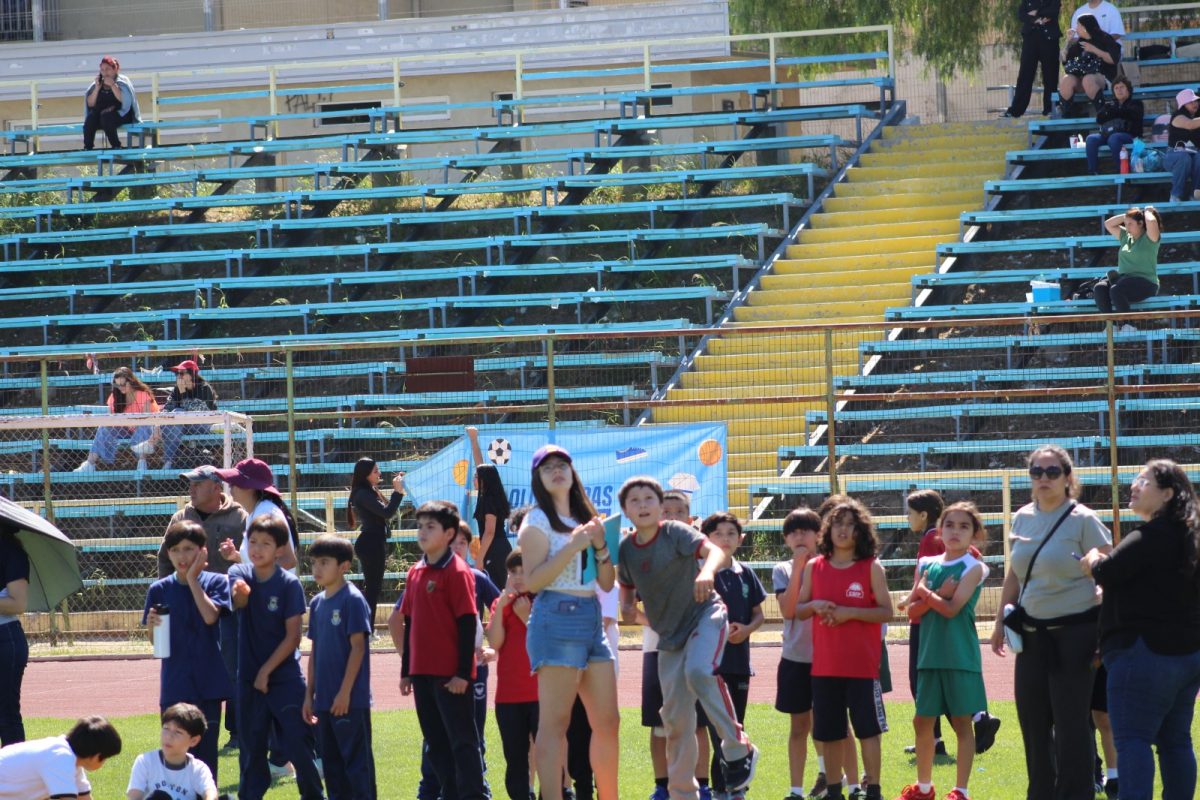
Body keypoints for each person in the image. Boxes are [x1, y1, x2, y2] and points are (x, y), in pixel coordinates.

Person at [617, 476, 759, 800]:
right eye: (634, 501)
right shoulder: (626, 549)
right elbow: (626, 598)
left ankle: (739, 748)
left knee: (698, 671)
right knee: (675, 717)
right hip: (669, 636)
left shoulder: (676, 532)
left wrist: (707, 572)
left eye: (648, 499)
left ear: (659, 508)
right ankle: (682, 792)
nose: (642, 505)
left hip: (705, 616)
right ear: (626, 511)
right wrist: (631, 612)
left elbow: (716, 554)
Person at [989, 444, 1111, 800]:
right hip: (1032, 636)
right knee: (1033, 722)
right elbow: (1015, 573)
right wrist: (1000, 621)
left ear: (1068, 477)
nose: (1043, 478)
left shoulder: (1084, 519)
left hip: (1077, 635)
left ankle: (1075, 793)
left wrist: (1107, 626)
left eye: (1052, 472)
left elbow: (1108, 571)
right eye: (1036, 472)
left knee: (1072, 725)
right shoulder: (1023, 516)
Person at [1080, 459, 1200, 800]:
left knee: (1132, 739)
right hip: (1188, 655)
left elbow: (1106, 570)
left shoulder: (1151, 535)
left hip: (1142, 653)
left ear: (1166, 494)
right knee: (1176, 741)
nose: (1134, 485)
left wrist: (1091, 558)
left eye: (1143, 481)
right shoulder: (1189, 536)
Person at [517, 444, 620, 800]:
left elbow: (607, 582)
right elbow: (532, 582)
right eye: (547, 468)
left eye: (562, 465)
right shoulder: (536, 522)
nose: (557, 471)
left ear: (573, 472)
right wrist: (574, 546)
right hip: (556, 618)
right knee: (555, 725)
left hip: (592, 617)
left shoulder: (588, 515)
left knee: (608, 722)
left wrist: (601, 546)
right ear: (538, 479)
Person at [795, 499, 893, 800]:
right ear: (828, 528)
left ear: (860, 530)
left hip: (862, 666)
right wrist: (814, 605)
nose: (843, 530)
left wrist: (850, 613)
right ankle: (835, 790)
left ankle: (873, 789)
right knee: (829, 732)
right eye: (837, 523)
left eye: (850, 524)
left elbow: (886, 612)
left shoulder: (871, 567)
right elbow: (799, 610)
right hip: (825, 667)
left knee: (867, 730)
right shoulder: (815, 566)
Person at [895, 502, 991, 800]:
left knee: (962, 722)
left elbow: (951, 609)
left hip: (960, 656)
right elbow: (911, 609)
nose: (955, 531)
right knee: (922, 721)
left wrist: (926, 593)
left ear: (975, 534)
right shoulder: (927, 563)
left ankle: (960, 791)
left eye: (964, 526)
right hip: (929, 654)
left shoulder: (975, 567)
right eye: (950, 525)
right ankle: (924, 789)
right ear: (939, 528)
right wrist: (933, 595)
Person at [228, 515, 324, 800]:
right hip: (248, 681)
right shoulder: (240, 573)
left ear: (280, 548)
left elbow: (293, 637)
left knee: (299, 747)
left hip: (284, 680)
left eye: (266, 543)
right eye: (252, 542)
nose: (257, 548)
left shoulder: (288, 585)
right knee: (251, 751)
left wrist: (266, 671)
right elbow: (237, 599)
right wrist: (240, 594)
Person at [156, 465, 247, 750]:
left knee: (231, 666)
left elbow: (250, 560)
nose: (191, 489)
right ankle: (183, 727)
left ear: (216, 487)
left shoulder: (239, 517)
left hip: (228, 605)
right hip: (186, 604)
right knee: (186, 662)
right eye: (190, 484)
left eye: (197, 483)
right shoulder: (181, 517)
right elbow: (163, 558)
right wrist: (168, 592)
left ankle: (235, 731)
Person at [399, 501, 485, 800]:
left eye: (430, 526)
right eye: (420, 525)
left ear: (449, 533)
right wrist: (406, 671)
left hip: (452, 677)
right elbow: (409, 622)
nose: (422, 531)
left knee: (462, 743)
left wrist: (463, 673)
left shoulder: (458, 571)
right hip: (422, 675)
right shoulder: (415, 572)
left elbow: (466, 623)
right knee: (435, 743)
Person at [143, 521, 234, 785]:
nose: (182, 557)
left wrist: (193, 580)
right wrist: (151, 629)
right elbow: (158, 645)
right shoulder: (159, 589)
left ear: (202, 551)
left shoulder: (216, 582)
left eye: (188, 549)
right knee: (174, 759)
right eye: (175, 550)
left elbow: (209, 617)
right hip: (175, 684)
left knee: (205, 760)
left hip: (209, 685)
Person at [644, 490, 712, 800]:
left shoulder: (701, 554)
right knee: (659, 723)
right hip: (656, 649)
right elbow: (633, 601)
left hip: (694, 647)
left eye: (677, 511)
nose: (670, 516)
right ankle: (662, 786)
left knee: (697, 722)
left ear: (689, 518)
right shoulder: (642, 551)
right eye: (665, 511)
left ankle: (704, 784)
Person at [697, 512, 765, 799]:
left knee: (736, 727)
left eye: (731, 534)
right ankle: (722, 788)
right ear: (706, 539)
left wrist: (746, 630)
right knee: (717, 731)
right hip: (712, 665)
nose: (725, 539)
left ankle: (734, 786)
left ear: (741, 539)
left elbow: (759, 615)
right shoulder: (702, 574)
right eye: (718, 534)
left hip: (739, 663)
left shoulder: (745, 572)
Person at [303, 534, 375, 800]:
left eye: (324, 562)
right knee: (332, 768)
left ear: (344, 566)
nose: (317, 569)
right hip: (323, 701)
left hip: (350, 701)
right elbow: (315, 651)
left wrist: (345, 692)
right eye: (313, 563)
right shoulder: (318, 603)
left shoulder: (352, 600)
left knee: (357, 768)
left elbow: (358, 648)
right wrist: (309, 694)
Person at [774, 508, 824, 800]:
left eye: (805, 530)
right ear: (786, 539)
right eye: (793, 532)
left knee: (830, 723)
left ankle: (832, 776)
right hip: (795, 657)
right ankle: (795, 790)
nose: (799, 536)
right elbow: (789, 610)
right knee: (799, 726)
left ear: (819, 534)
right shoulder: (782, 569)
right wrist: (797, 567)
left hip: (828, 657)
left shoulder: (830, 565)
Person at [486, 548, 539, 800]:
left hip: (542, 694)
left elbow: (545, 644)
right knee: (515, 760)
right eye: (512, 572)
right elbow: (495, 642)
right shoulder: (501, 603)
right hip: (508, 697)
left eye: (524, 571)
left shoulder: (543, 600)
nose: (518, 577)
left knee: (549, 755)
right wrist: (501, 607)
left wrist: (526, 617)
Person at [902, 490, 947, 758]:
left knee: (919, 680)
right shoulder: (932, 537)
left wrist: (912, 600)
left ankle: (980, 718)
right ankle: (935, 739)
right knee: (926, 680)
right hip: (928, 615)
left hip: (924, 617)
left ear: (923, 514)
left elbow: (926, 579)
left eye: (909, 513)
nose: (907, 518)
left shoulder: (931, 539)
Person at [0, 715, 121, 800]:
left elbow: (84, 797)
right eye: (105, 758)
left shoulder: (71, 760)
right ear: (96, 756)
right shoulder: (61, 758)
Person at [347, 457, 405, 622]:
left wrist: (398, 490)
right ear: (366, 475)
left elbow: (385, 511)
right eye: (375, 471)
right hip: (370, 543)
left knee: (372, 588)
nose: (379, 473)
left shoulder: (367, 491)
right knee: (373, 589)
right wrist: (397, 492)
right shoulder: (363, 494)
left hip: (373, 542)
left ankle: (366, 626)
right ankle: (367, 628)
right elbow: (387, 512)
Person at [216, 458, 299, 572]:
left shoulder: (266, 512)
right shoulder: (256, 511)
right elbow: (261, 562)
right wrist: (235, 556)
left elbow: (288, 561)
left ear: (250, 487)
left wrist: (254, 577)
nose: (230, 487)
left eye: (235, 483)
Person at [125, 703, 218, 800]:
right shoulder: (146, 761)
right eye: (166, 729)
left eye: (178, 732)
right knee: (159, 797)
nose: (169, 736)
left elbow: (211, 793)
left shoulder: (198, 769)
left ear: (193, 740)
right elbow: (134, 797)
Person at [75, 367, 160, 472]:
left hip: (145, 428)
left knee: (143, 426)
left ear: (131, 381)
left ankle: (142, 461)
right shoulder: (115, 396)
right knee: (103, 428)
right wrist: (124, 423)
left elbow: (147, 419)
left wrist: (131, 422)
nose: (121, 387)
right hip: (124, 428)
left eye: (123, 384)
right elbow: (112, 420)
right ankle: (90, 463)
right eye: (117, 385)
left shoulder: (143, 395)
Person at [467, 426, 513, 590]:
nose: (474, 479)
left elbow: (490, 531)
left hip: (495, 550)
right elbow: (482, 466)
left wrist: (480, 558)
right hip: (498, 547)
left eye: (476, 477)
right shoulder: (488, 494)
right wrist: (474, 440)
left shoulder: (488, 499)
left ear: (484, 480)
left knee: (497, 593)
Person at [153, 360, 218, 470]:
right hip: (182, 425)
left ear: (192, 374)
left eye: (182, 373)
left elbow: (199, 412)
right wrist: (162, 419)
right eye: (177, 373)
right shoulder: (177, 389)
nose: (178, 376)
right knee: (171, 421)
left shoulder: (204, 388)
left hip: (203, 424)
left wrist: (182, 394)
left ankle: (169, 460)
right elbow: (168, 407)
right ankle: (169, 461)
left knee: (178, 413)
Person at [1096, 206, 1161, 316]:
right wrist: (1128, 216)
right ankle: (1111, 326)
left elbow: (1152, 221)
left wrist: (1147, 212)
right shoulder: (1125, 236)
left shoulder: (1150, 237)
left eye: (1130, 224)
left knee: (1116, 289)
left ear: (1140, 223)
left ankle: (1128, 325)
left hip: (1146, 283)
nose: (1127, 227)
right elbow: (1108, 224)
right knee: (1100, 288)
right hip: (1124, 281)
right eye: (1125, 224)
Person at [1004, 0, 1061, 118]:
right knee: (1025, 74)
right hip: (1030, 39)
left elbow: (1053, 11)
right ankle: (1016, 110)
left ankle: (1049, 108)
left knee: (1050, 75)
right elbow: (1021, 14)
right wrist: (1036, 20)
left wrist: (1036, 12)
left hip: (1049, 39)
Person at [0, 523, 29, 746]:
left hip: (5, 639)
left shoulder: (11, 551)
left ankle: (13, 779)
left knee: (7, 716)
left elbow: (18, 603)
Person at [1058, 15, 1121, 116]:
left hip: (1102, 78)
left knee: (1088, 79)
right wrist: (1068, 43)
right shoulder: (1079, 42)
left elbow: (1113, 59)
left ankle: (1102, 113)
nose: (1076, 28)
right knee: (1066, 80)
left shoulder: (1104, 38)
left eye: (1078, 25)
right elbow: (1066, 63)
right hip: (1081, 80)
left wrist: (1094, 49)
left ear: (1085, 27)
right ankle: (1069, 117)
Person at [1086, 77, 1144, 175]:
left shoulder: (1136, 103)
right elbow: (1099, 118)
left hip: (1130, 135)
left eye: (1122, 87)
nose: (1119, 90)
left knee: (1114, 138)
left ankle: (1121, 171)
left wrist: (1113, 112)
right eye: (1116, 88)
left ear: (1128, 89)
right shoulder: (1110, 105)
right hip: (1107, 134)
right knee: (1091, 138)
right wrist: (1115, 111)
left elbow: (1134, 115)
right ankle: (1093, 171)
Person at [83, 55, 140, 151]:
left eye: (108, 69)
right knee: (91, 118)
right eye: (102, 70)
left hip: (121, 115)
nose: (105, 72)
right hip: (101, 116)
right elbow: (90, 104)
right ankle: (88, 147)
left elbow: (125, 102)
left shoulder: (122, 82)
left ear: (115, 69)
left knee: (107, 117)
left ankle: (116, 145)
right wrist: (97, 88)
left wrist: (113, 85)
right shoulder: (97, 84)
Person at [1165, 88, 1200, 202]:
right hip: (1174, 155)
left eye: (1195, 101)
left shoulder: (1196, 116)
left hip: (1193, 154)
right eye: (1190, 102)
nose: (1195, 103)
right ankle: (1175, 195)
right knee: (1183, 157)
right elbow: (1189, 125)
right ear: (1183, 105)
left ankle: (1195, 194)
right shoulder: (1177, 116)